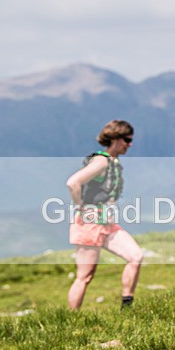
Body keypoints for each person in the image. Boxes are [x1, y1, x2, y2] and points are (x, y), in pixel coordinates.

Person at [66, 119, 144, 311]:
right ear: (115, 138)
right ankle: (70, 319)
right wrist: (81, 207)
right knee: (85, 275)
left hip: (106, 223)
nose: (129, 144)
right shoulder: (101, 161)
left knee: (135, 256)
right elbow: (73, 182)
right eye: (126, 139)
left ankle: (127, 307)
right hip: (89, 224)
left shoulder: (112, 162)